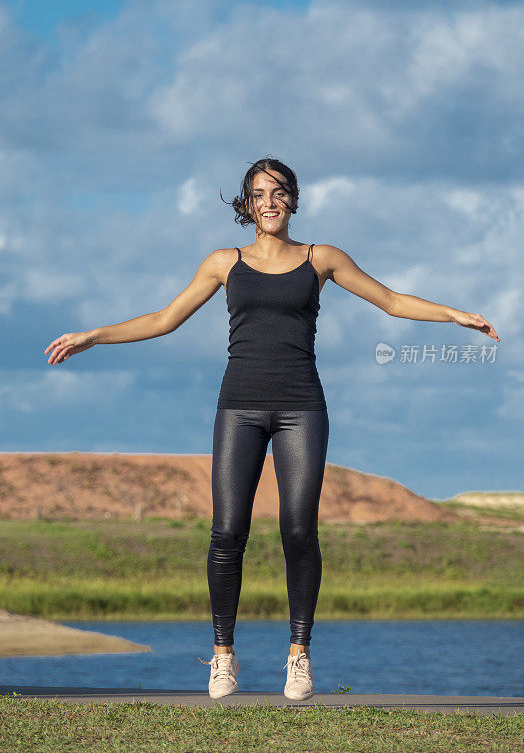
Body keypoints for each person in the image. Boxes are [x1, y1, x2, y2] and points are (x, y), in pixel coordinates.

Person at [44, 156, 500, 701]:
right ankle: (222, 656)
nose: (269, 202)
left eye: (278, 192)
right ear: (246, 203)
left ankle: (299, 656)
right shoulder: (223, 262)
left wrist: (454, 314)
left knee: (299, 531)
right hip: (238, 407)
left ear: (293, 198)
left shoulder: (321, 258)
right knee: (227, 532)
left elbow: (392, 300)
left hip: (301, 408)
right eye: (259, 194)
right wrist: (95, 334)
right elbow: (165, 319)